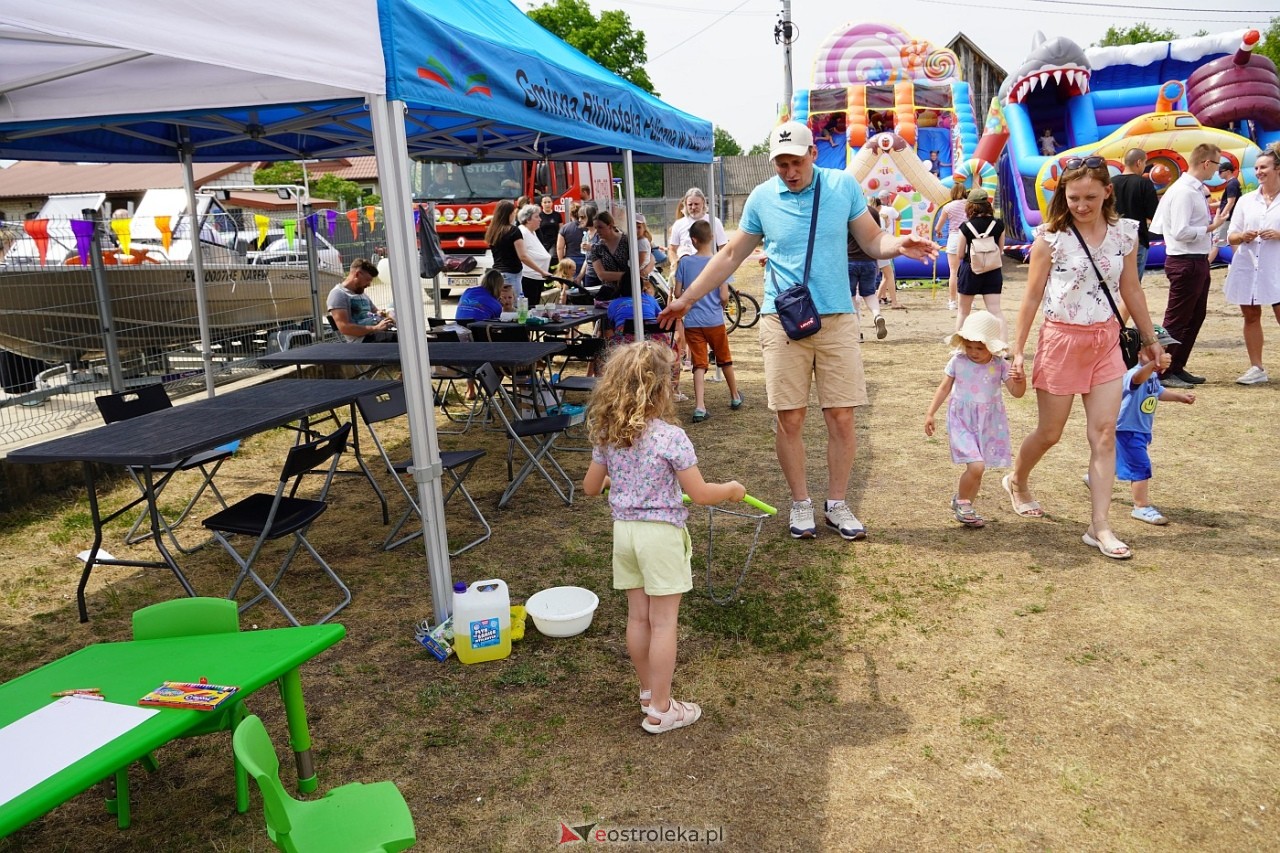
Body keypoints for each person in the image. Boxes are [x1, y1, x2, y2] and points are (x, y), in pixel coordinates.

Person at [658, 120, 938, 542]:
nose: (789, 171)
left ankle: (838, 504)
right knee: (790, 418)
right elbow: (731, 253)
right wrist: (688, 298)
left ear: (812, 155)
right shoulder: (761, 197)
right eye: (781, 164)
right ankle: (801, 502)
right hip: (782, 320)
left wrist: (898, 246)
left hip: (838, 318)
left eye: (795, 161)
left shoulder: (842, 186)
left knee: (842, 417)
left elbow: (872, 238)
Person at [1006, 155, 1165, 561]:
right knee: (1050, 433)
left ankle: (1100, 526)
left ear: (1107, 192)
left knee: (1104, 433)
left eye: (1090, 196)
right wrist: (1017, 350)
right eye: (1073, 196)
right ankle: (1017, 479)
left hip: (1106, 343)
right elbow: (1031, 298)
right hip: (1061, 341)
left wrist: (1150, 339)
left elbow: (1131, 290)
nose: (1080, 205)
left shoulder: (1124, 234)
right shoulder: (1050, 238)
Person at [582, 340, 745, 734]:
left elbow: (590, 487)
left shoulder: (608, 432)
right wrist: (732, 489)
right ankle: (660, 708)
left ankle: (646, 691)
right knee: (664, 622)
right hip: (659, 537)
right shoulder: (670, 438)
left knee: (638, 617)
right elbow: (702, 493)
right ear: (661, 388)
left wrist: (615, 478)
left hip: (626, 535)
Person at [924, 311, 1026, 528]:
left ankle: (965, 503)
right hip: (961, 420)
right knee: (977, 466)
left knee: (978, 469)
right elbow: (944, 387)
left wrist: (1021, 379)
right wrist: (930, 413)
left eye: (979, 348)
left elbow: (1017, 392)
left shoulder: (999, 365)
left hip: (988, 423)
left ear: (992, 346)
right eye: (969, 346)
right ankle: (963, 503)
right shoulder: (958, 361)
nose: (973, 352)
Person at [1149, 142, 1229, 388]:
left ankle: (1176, 366)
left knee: (1195, 316)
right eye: (1215, 165)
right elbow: (1181, 231)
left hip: (1195, 259)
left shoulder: (1190, 189)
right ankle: (1163, 370)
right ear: (1207, 163)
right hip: (1186, 260)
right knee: (1177, 319)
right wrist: (1210, 227)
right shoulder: (1184, 191)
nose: (1215, 171)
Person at [1100, 332, 1194, 526]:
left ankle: (1097, 477)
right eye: (1159, 350)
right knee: (1140, 466)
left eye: (1165, 350)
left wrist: (1179, 397)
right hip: (1127, 429)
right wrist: (1153, 365)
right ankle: (1141, 507)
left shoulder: (1151, 374)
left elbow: (1157, 391)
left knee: (1113, 459)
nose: (1164, 353)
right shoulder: (1132, 371)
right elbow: (1136, 380)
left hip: (1141, 429)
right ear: (1140, 350)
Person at [675, 220, 743, 422]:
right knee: (724, 358)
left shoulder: (684, 263)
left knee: (699, 363)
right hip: (714, 320)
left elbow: (678, 293)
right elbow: (724, 296)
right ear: (712, 238)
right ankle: (735, 396)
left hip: (693, 321)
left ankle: (700, 406)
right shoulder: (719, 263)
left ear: (693, 241)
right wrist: (718, 308)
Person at [1223, 146, 1280, 385]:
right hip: (1249, 264)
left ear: (1278, 169)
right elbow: (1231, 236)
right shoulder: (1246, 201)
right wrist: (1243, 236)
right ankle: (1256, 367)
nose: (1258, 172)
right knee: (1250, 315)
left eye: (1263, 167)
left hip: (1275, 266)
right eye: (1257, 168)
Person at [955, 188, 1006, 336]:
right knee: (996, 311)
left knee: (963, 311)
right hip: (993, 270)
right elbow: (1000, 249)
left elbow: (960, 254)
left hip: (970, 270)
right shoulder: (999, 224)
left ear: (970, 206)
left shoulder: (965, 227)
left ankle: (959, 347)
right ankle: (1003, 347)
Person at [1110, 148, 1159, 297]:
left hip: (1111, 239)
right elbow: (1154, 214)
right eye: (1144, 162)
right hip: (1137, 239)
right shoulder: (1144, 184)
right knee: (1132, 288)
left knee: (1113, 286)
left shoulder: (1110, 183)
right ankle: (1124, 319)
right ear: (1138, 163)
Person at [326, 258, 394, 342]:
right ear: (357, 274)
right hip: (362, 340)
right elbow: (345, 328)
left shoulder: (360, 292)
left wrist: (385, 314)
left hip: (377, 334)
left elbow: (376, 311)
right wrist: (376, 328)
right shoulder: (338, 294)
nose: (369, 284)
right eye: (367, 280)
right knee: (403, 342)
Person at [848, 203, 887, 341]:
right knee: (869, 293)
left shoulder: (847, 210)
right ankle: (877, 315)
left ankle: (856, 332)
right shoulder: (872, 212)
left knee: (851, 296)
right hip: (869, 259)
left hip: (849, 259)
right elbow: (877, 235)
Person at [668, 188, 728, 263]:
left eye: (696, 204)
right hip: (687, 266)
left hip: (708, 265)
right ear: (685, 204)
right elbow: (672, 249)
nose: (693, 207)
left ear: (703, 203)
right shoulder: (678, 224)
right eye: (690, 204)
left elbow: (723, 247)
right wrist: (674, 264)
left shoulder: (714, 222)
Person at [515, 203, 554, 307]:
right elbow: (522, 255)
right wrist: (541, 271)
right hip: (529, 277)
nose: (540, 219)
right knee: (529, 307)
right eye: (536, 217)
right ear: (528, 219)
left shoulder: (533, 232)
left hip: (537, 277)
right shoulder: (522, 232)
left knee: (535, 307)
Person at [939, 182, 969, 311]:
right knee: (970, 270)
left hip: (954, 237)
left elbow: (938, 226)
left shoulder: (948, 207)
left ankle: (952, 301)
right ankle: (969, 299)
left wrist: (939, 231)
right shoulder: (970, 205)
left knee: (953, 271)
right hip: (968, 237)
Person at [589, 211, 631, 301]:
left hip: (630, 290)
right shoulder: (596, 248)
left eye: (600, 227)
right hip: (610, 291)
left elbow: (649, 256)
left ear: (610, 225)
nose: (597, 231)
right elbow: (601, 275)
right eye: (596, 228)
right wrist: (629, 276)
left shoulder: (627, 241)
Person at [1209, 160, 1243, 265]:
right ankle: (1241, 263)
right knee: (1231, 243)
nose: (1219, 174)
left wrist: (1222, 216)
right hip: (1229, 217)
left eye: (1220, 172)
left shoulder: (1232, 183)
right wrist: (1210, 205)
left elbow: (1230, 202)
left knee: (1217, 243)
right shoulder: (1232, 183)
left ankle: (1206, 265)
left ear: (1228, 171)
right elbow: (1225, 202)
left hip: (1226, 218)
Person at [483, 199, 523, 290]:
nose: (514, 216)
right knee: (514, 303)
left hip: (497, 274)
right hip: (512, 273)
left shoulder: (492, 230)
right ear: (508, 214)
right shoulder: (513, 230)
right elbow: (523, 256)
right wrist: (540, 271)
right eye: (513, 213)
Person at [874, 191, 900, 309]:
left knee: (885, 275)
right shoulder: (883, 215)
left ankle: (880, 297)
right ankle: (892, 301)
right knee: (889, 275)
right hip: (883, 247)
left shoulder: (869, 215)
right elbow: (898, 217)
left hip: (875, 248)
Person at [557, 203, 587, 282]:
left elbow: (560, 248)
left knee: (571, 286)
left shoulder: (565, 228)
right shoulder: (587, 227)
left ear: (570, 214)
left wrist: (561, 262)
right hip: (586, 260)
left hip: (570, 260)